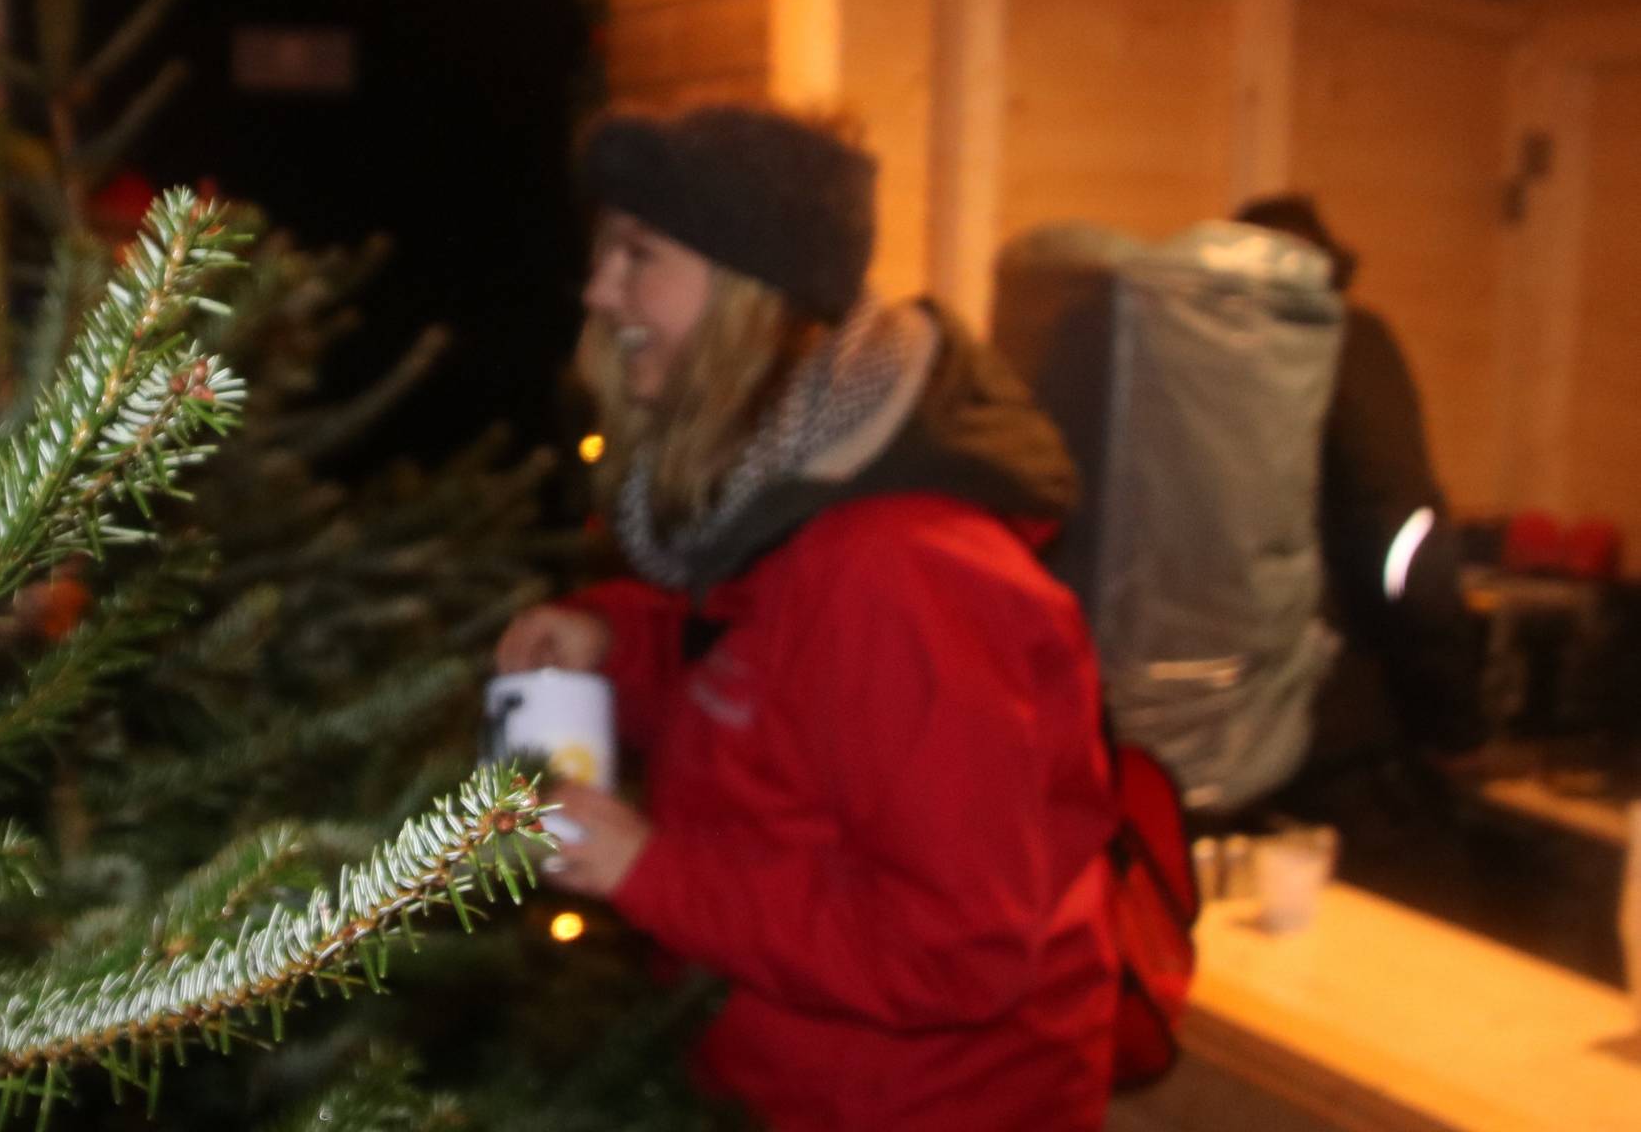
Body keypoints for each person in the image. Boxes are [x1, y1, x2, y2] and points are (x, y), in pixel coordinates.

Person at [497, 107, 1117, 1129]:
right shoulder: (775, 499)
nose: (602, 290)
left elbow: (955, 945)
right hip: (782, 1078)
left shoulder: (899, 572)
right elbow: (760, 696)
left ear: (752, 295)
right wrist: (612, 640)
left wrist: (652, 868)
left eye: (638, 254)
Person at [1233, 195, 1490, 778]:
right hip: (1340, 718)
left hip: (1215, 729)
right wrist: (1454, 719)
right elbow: (1404, 537)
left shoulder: (1186, 362)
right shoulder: (1345, 342)